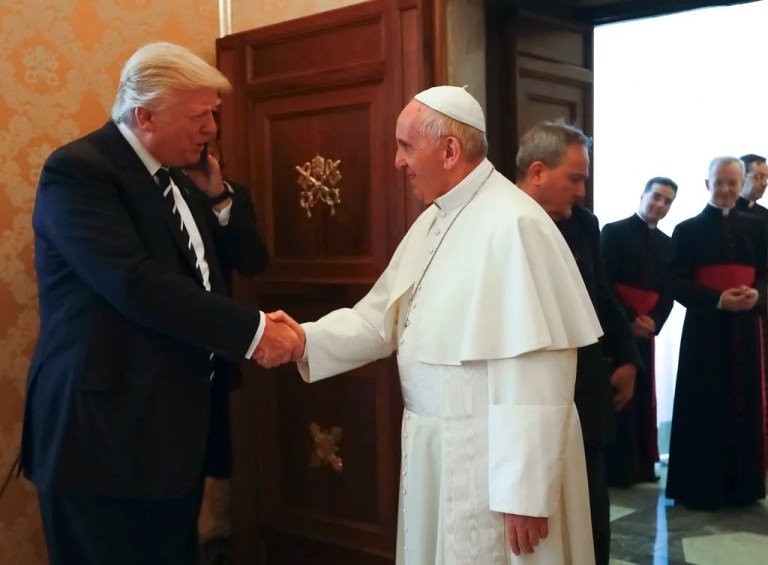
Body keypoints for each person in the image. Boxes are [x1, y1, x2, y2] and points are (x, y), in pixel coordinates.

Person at [268, 86, 602, 564]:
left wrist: (526, 492)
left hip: (491, 462)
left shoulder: (514, 224)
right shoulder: (432, 221)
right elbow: (378, 318)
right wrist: (302, 339)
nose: (397, 161)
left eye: (406, 146)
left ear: (449, 150)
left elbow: (539, 368)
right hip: (436, 444)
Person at [20, 42, 302, 565]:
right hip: (102, 438)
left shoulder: (179, 178)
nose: (212, 130)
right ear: (143, 115)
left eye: (212, 115)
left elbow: (248, 259)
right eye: (198, 116)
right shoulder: (80, 171)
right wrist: (255, 331)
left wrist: (220, 197)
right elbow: (136, 284)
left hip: (170, 437)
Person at [515, 120, 639, 565]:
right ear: (537, 172)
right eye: (575, 179)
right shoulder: (499, 225)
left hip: (585, 395)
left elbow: (601, 295)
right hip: (523, 402)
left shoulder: (584, 225)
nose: (582, 191)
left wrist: (628, 358)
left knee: (591, 522)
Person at [665, 156, 767, 510]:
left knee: (745, 402)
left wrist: (758, 296)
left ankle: (744, 487)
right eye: (719, 182)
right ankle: (700, 488)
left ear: (742, 185)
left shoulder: (759, 228)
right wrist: (719, 300)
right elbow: (675, 283)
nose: (726, 189)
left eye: (733, 183)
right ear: (707, 184)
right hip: (704, 333)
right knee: (703, 404)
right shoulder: (687, 230)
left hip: (746, 330)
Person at [601, 177, 677, 487]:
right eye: (656, 197)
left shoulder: (668, 244)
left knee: (643, 398)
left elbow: (669, 291)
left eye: (667, 201)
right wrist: (630, 318)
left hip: (645, 330)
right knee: (619, 395)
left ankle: (641, 465)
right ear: (643, 195)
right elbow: (604, 282)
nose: (660, 205)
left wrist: (654, 321)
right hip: (616, 329)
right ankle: (615, 469)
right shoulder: (613, 232)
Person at [735, 153, 768, 220]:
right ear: (741, 177)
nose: (765, 184)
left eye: (766, 178)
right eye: (759, 177)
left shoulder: (765, 214)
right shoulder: (724, 212)